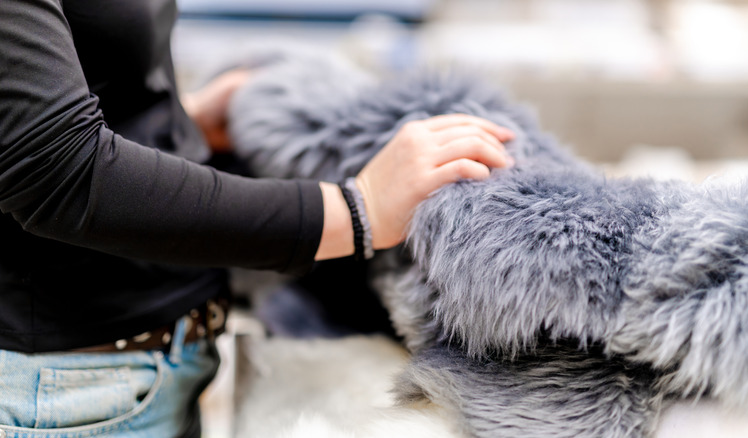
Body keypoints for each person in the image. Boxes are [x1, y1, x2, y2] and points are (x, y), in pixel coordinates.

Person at [0, 1, 515, 437]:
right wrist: (356, 210)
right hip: (66, 395)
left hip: (130, 373)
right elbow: (56, 169)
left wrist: (178, 125)